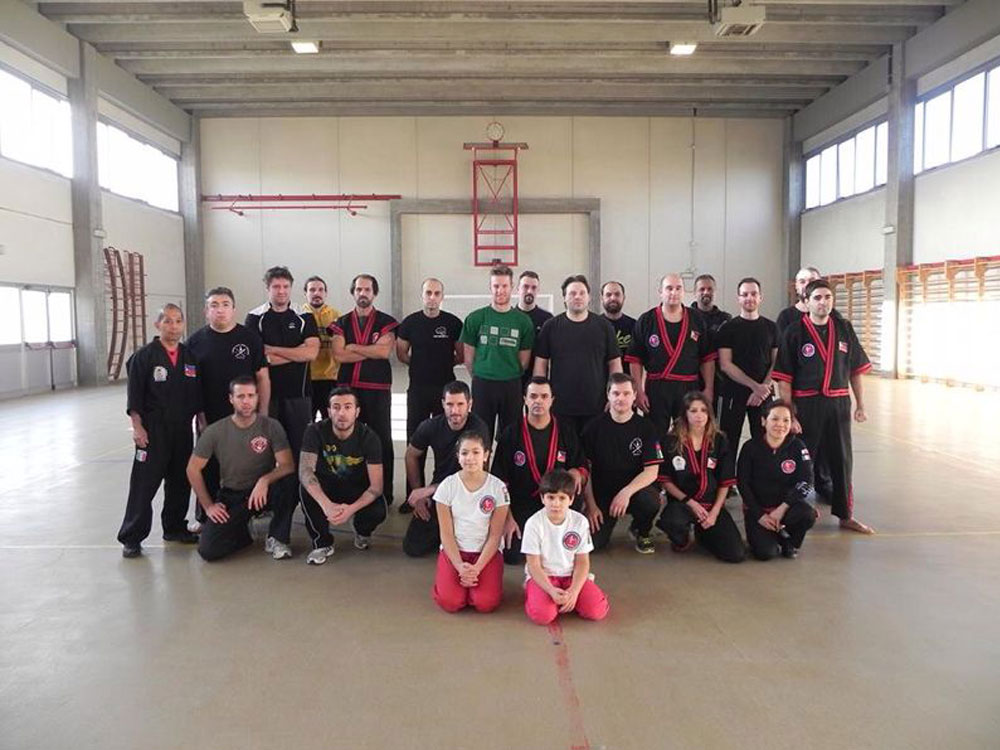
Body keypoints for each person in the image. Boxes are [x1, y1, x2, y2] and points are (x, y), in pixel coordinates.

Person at [773, 279, 875, 534]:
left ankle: (845, 515)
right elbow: (784, 379)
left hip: (838, 404)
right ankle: (785, 513)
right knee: (800, 460)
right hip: (806, 405)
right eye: (817, 298)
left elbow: (855, 370)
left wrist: (860, 404)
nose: (823, 302)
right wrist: (790, 415)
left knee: (842, 460)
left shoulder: (843, 328)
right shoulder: (794, 332)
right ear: (806, 302)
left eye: (828, 297)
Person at [117, 304, 202, 558]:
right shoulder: (143, 357)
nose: (173, 326)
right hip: (152, 431)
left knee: (179, 482)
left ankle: (174, 528)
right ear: (157, 325)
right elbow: (134, 397)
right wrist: (137, 427)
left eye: (178, 321)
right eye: (167, 321)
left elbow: (197, 396)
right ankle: (132, 536)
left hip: (182, 430)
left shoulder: (189, 357)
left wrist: (202, 423)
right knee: (144, 485)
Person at [187, 375, 297, 562]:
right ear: (231, 399)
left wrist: (264, 480)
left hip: (264, 492)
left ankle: (277, 538)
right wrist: (208, 506)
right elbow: (192, 469)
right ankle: (243, 534)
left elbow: (287, 465)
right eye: (240, 396)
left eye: (251, 396)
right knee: (208, 550)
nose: (246, 401)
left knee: (290, 482)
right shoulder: (215, 431)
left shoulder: (271, 426)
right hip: (233, 495)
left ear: (257, 398)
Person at [187, 287, 270, 510]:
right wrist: (200, 418)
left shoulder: (250, 338)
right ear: (206, 311)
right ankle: (206, 512)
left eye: (225, 305)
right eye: (214, 305)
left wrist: (263, 413)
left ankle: (249, 510)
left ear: (234, 309)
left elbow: (263, 377)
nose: (220, 310)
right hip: (210, 416)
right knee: (209, 466)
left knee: (248, 463)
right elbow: (192, 386)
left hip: (246, 416)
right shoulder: (194, 343)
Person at [491, 377, 587, 565]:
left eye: (544, 396)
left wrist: (577, 472)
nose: (538, 401)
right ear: (525, 400)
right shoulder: (511, 433)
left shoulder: (566, 431)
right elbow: (499, 480)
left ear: (552, 400)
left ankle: (559, 537)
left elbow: (582, 465)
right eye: (533, 396)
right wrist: (507, 518)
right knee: (513, 555)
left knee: (573, 491)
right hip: (522, 503)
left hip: (556, 504)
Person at [298, 387, 388, 564]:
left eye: (348, 407)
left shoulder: (369, 438)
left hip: (356, 487)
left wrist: (351, 510)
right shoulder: (315, 431)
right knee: (305, 489)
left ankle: (361, 529)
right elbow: (305, 471)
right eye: (336, 407)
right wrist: (326, 505)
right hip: (327, 486)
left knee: (379, 509)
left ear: (357, 412)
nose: (341, 413)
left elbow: (376, 487)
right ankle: (322, 543)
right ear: (329, 411)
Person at [331, 274, 398, 507]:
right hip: (348, 389)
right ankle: (350, 490)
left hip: (377, 388)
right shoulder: (341, 323)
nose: (363, 293)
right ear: (353, 292)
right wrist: (370, 349)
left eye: (367, 289)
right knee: (348, 440)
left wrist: (353, 347)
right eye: (359, 289)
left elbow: (384, 352)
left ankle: (385, 492)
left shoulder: (386, 321)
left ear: (374, 293)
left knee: (382, 439)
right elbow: (339, 355)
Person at [396, 278, 463, 510]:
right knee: (415, 443)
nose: (432, 297)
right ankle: (413, 496)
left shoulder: (453, 323)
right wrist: (420, 365)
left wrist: (441, 365)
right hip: (418, 391)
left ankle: (444, 494)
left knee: (446, 445)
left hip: (445, 393)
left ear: (442, 296)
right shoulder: (410, 323)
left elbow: (460, 355)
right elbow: (402, 353)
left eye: (436, 293)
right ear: (422, 295)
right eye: (428, 293)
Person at [402, 381, 490, 557]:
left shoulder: (478, 430)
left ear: (470, 404)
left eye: (460, 404)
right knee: (413, 547)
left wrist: (429, 489)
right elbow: (410, 455)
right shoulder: (430, 426)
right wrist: (419, 495)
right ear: (443, 404)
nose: (455, 410)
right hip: (441, 494)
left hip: (470, 493)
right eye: (450, 404)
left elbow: (475, 474)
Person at [656, 392, 744, 563]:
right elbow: (665, 480)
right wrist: (690, 502)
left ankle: (703, 534)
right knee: (672, 521)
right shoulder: (670, 441)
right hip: (683, 503)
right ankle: (682, 539)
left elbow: (725, 482)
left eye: (704, 410)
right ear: (685, 414)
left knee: (735, 554)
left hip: (711, 505)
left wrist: (714, 513)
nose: (699, 415)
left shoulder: (719, 440)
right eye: (693, 411)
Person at [245, 266, 319, 468]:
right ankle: (268, 488)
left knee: (299, 449)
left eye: (286, 286)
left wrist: (273, 350)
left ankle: (297, 488)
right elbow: (257, 358)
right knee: (265, 450)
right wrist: (297, 353)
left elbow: (312, 353)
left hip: (299, 395)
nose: (281, 291)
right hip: (267, 396)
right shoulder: (255, 317)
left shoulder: (304, 315)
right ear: (268, 288)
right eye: (276, 287)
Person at [581, 373, 663, 554]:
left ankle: (641, 531)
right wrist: (591, 505)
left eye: (626, 393)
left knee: (650, 501)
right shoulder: (593, 428)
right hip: (603, 495)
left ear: (634, 396)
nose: (621, 398)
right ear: (608, 395)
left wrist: (626, 492)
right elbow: (585, 470)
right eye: (616, 393)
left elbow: (652, 471)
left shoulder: (646, 428)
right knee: (593, 545)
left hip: (634, 492)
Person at [533, 274, 622, 441]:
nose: (577, 297)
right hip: (560, 406)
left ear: (589, 297)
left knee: (594, 452)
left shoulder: (604, 327)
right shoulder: (551, 327)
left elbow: (615, 364)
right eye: (572, 293)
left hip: (596, 406)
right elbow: (541, 364)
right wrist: (541, 396)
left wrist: (615, 395)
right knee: (563, 452)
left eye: (582, 293)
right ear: (564, 298)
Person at [625, 273, 716, 434]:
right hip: (657, 388)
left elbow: (707, 358)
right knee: (654, 435)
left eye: (678, 288)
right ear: (660, 292)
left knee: (688, 434)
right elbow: (635, 359)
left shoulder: (697, 319)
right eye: (669, 288)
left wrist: (709, 388)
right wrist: (638, 391)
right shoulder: (647, 320)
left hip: (689, 386)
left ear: (684, 292)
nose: (674, 292)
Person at [432, 431, 510, 614]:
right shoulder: (447, 487)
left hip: (486, 553)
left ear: (486, 455)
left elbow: (495, 535)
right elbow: (446, 534)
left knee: (485, 603)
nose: (470, 458)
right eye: (464, 453)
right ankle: (455, 584)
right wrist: (459, 565)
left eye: (476, 452)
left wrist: (477, 568)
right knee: (450, 602)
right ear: (458, 456)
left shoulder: (498, 488)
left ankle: (477, 585)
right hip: (455, 551)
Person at [522, 469, 610, 625]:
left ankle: (569, 598)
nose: (556, 504)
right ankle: (534, 591)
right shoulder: (533, 523)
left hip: (571, 576)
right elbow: (533, 565)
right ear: (542, 498)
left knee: (597, 611)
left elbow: (582, 562)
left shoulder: (580, 522)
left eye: (562, 498)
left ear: (571, 499)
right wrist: (550, 590)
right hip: (544, 577)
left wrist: (574, 591)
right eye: (551, 497)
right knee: (543, 616)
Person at [460, 265, 535, 441]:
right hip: (483, 384)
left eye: (504, 286)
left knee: (511, 437)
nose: (500, 290)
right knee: (480, 436)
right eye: (496, 286)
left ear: (512, 287)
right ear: (490, 287)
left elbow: (524, 361)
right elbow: (468, 358)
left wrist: (507, 371)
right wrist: (482, 374)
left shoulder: (523, 322)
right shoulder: (475, 318)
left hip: (511, 385)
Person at [737, 400, 818, 560]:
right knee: (766, 553)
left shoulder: (798, 446)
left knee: (807, 514)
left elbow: (807, 481)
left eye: (786, 420)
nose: (780, 424)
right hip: (758, 511)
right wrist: (760, 515)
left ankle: (790, 541)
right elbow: (742, 484)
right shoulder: (750, 447)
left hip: (785, 508)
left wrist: (782, 509)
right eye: (774, 419)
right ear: (763, 421)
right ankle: (774, 534)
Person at [716, 277, 778, 444]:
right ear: (738, 298)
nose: (749, 298)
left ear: (760, 297)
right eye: (745, 294)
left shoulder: (772, 327)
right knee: (727, 442)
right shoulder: (728, 328)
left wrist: (763, 388)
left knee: (765, 442)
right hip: (733, 394)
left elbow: (776, 362)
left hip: (764, 395)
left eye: (753, 294)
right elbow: (725, 364)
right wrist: (755, 387)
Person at [301, 276, 341, 420]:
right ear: (305, 293)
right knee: (306, 421)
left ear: (326, 293)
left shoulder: (336, 316)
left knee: (330, 421)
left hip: (330, 377)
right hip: (306, 378)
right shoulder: (299, 315)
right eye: (312, 290)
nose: (316, 293)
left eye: (320, 290)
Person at [516, 270, 553, 392]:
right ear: (518, 289)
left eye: (533, 288)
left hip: (538, 380)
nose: (529, 291)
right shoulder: (509, 317)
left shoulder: (547, 319)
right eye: (525, 287)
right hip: (512, 380)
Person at [776, 266, 821, 337]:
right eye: (802, 282)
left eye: (812, 281)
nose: (807, 285)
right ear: (796, 287)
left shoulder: (832, 315)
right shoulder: (785, 316)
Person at [600, 280, 636, 360]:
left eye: (617, 294)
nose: (613, 298)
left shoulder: (635, 326)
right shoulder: (594, 326)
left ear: (624, 298)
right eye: (608, 295)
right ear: (602, 298)